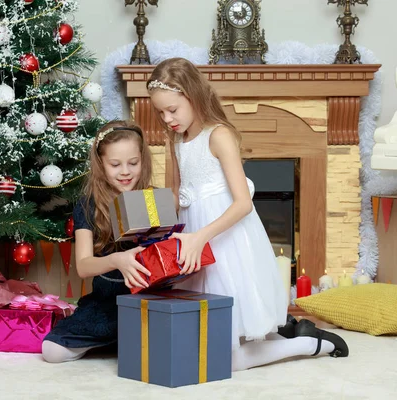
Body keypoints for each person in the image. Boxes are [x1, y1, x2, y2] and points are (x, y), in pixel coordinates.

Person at [146, 57, 349, 371]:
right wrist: (145, 219)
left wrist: (200, 238)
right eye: (160, 112)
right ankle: (292, 337)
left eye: (173, 109)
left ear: (193, 95)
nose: (167, 118)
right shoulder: (177, 139)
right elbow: (176, 196)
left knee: (227, 358)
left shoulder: (219, 135)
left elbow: (243, 203)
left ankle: (310, 344)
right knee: (202, 338)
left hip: (223, 241)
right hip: (195, 242)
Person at [42, 120, 154, 363]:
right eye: (115, 164)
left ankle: (122, 340)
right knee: (52, 351)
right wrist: (116, 260)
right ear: (101, 164)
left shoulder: (152, 199)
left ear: (142, 161)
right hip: (105, 302)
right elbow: (83, 266)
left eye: (133, 163)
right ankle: (115, 340)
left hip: (146, 302)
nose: (125, 171)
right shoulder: (88, 205)